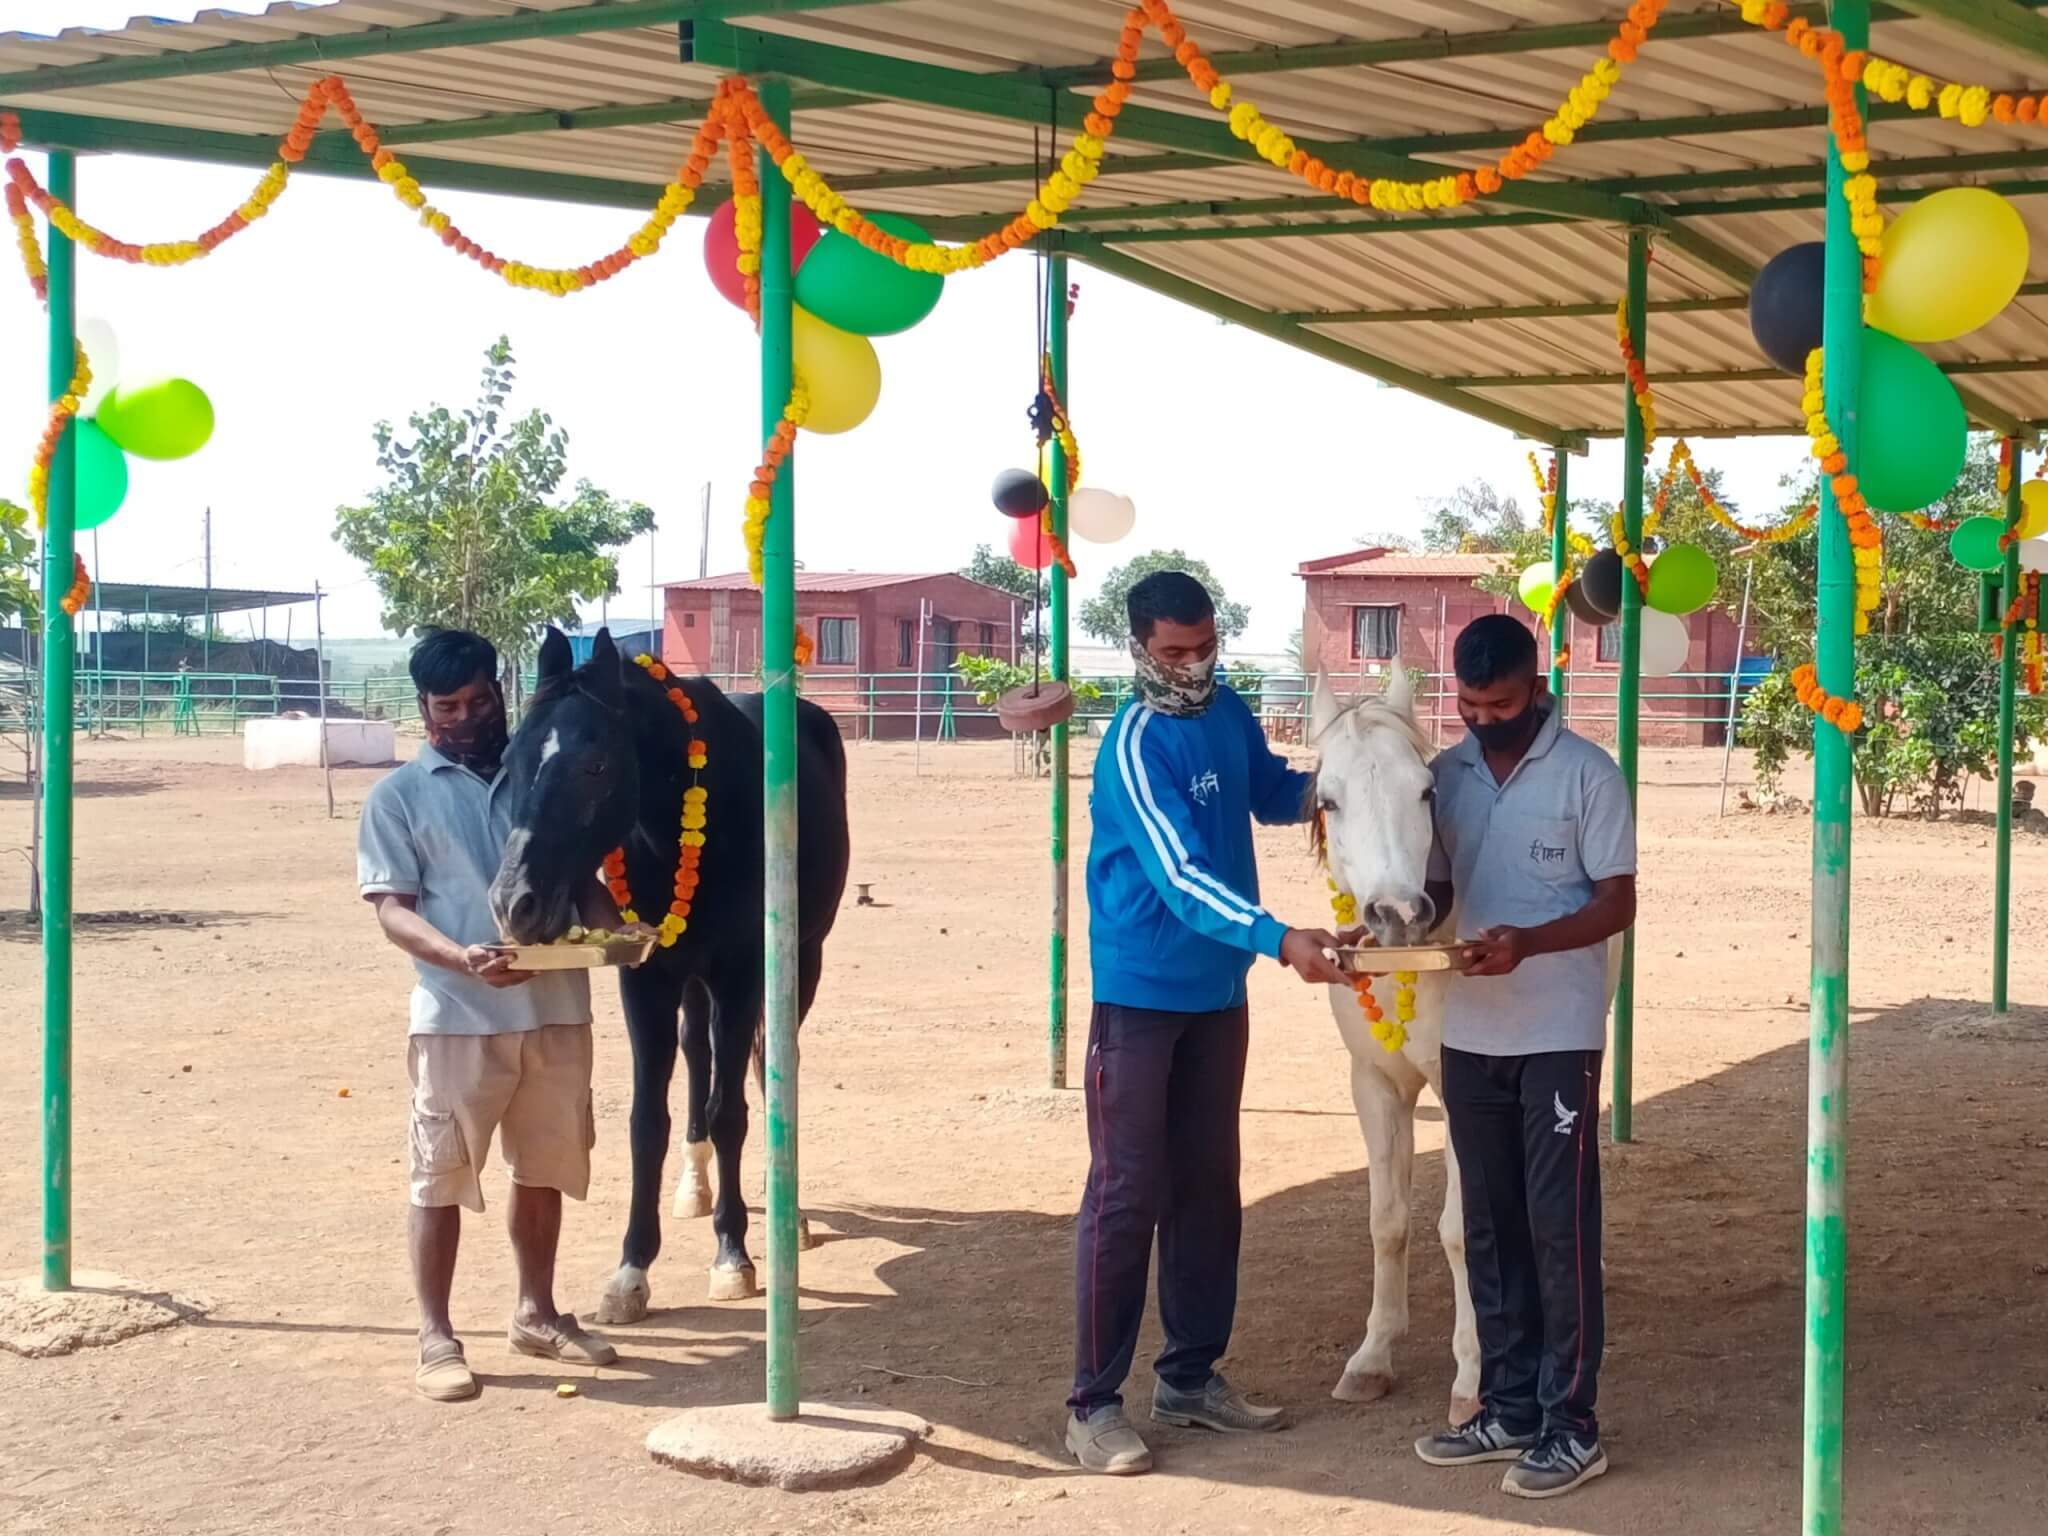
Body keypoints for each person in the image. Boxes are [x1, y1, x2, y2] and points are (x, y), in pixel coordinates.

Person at [1065, 571, 1352, 1476]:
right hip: (1142, 1001)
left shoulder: (1226, 711)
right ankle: (1092, 1405)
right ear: (1139, 646)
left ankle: (1190, 1377)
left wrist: (1343, 784)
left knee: (1208, 1188)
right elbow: (1181, 876)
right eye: (1173, 653)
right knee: (1125, 1196)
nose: (1192, 666)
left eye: (1204, 647)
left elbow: (1269, 791)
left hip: (1216, 1002)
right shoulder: (1135, 744)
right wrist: (1279, 938)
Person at [357, 629, 619, 1401]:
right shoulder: (398, 796)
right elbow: (393, 911)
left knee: (544, 1170)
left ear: (501, 693)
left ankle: (536, 1313)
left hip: (556, 1010)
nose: (467, 717)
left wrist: (622, 933)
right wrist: (459, 957)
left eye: (480, 700)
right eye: (448, 706)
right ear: (424, 708)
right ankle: (436, 1335)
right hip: (457, 1018)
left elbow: (586, 879)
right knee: (439, 1176)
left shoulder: (540, 772)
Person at [1413, 613, 1636, 1500]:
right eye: (1467, 705)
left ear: (1535, 689)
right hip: (1468, 1033)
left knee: (1558, 1227)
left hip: (1557, 1034)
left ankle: (1572, 1425)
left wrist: (1529, 944)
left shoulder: (1588, 774)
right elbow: (1433, 891)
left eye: (1497, 703)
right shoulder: (1445, 777)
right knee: (1489, 1225)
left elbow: (1616, 901)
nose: (1480, 718)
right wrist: (1387, 926)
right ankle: (1506, 1408)